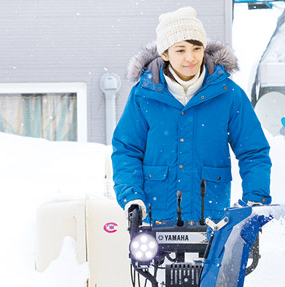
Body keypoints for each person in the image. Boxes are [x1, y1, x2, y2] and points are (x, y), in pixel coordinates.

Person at [111, 6, 272, 224]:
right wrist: (131, 197)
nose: (191, 57)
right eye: (180, 50)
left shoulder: (228, 94)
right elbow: (127, 151)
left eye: (197, 48)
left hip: (213, 220)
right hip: (157, 220)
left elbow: (253, 150)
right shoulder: (143, 95)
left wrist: (255, 198)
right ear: (165, 53)